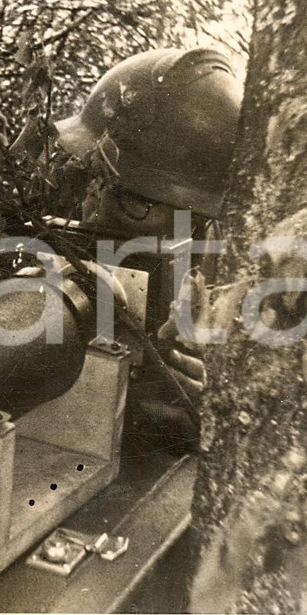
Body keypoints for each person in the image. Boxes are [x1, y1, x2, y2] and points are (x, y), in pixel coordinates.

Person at [36, 47, 244, 442]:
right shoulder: (51, 221)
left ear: (197, 217)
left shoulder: (237, 284)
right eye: (91, 179)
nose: (95, 210)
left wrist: (213, 409)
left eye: (134, 199)